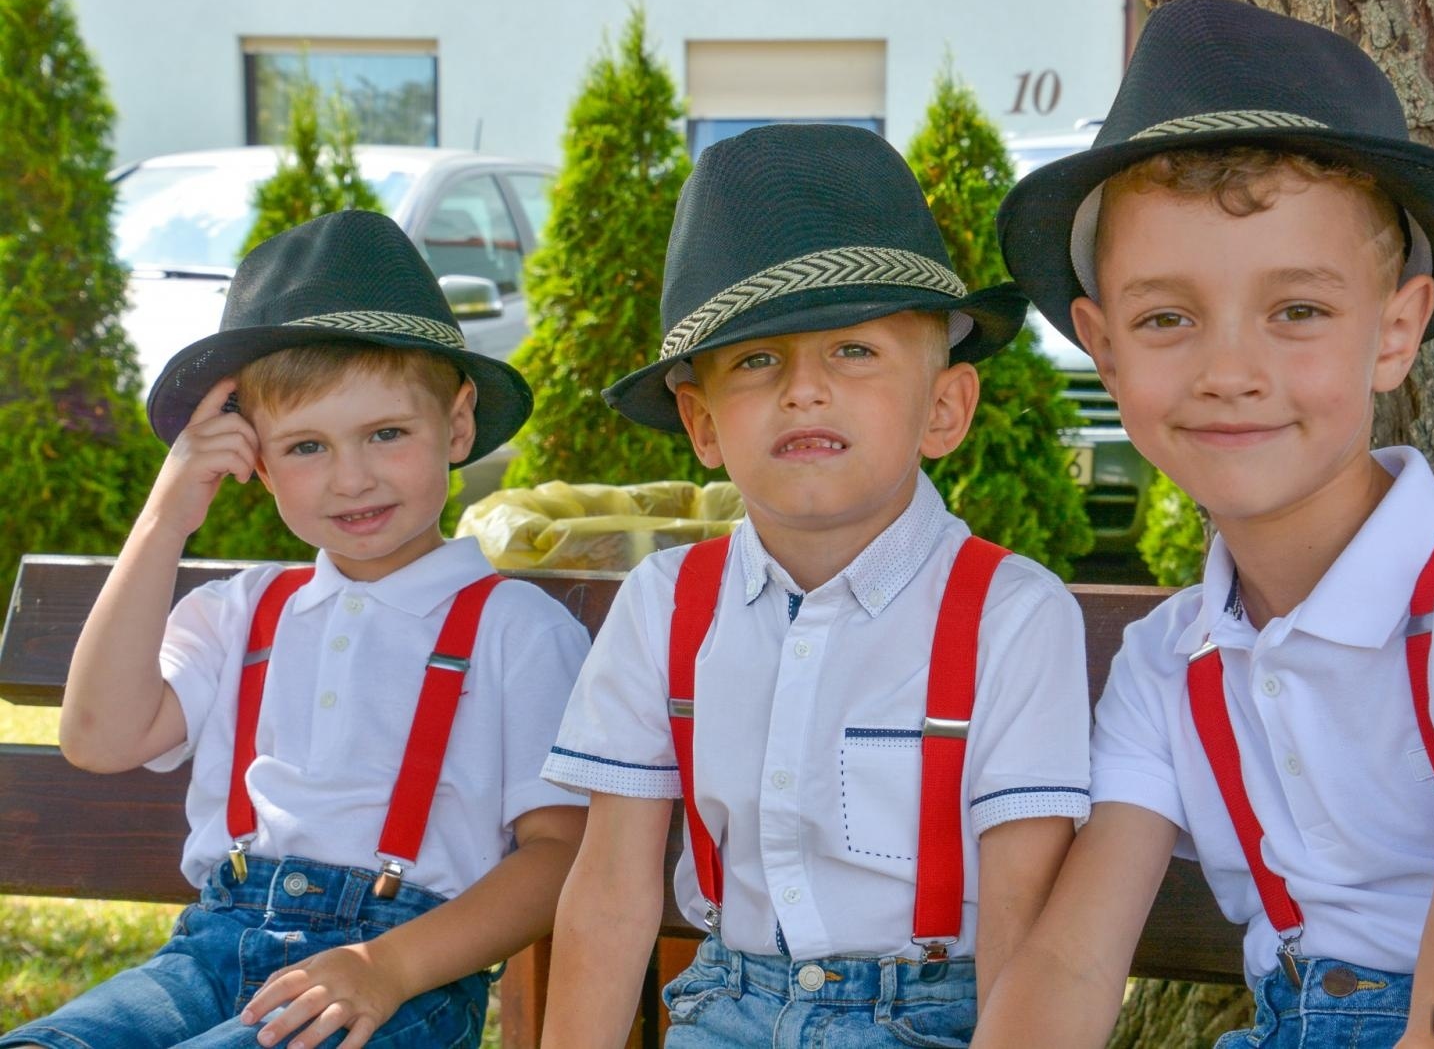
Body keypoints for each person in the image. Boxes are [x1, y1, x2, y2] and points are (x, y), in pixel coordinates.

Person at [975, 0, 1434, 1048]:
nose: (1229, 373)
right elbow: (1072, 960)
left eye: (1296, 311)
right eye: (1165, 318)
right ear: (1104, 346)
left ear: (1396, 330)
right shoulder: (1166, 664)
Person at [537, 123, 1091, 1048]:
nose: (804, 389)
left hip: (932, 1017)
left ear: (944, 407)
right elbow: (609, 889)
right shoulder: (664, 605)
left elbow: (1023, 919)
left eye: (854, 351)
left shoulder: (1012, 614)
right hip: (722, 1007)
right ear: (703, 424)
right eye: (757, 360)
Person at [1, 211, 589, 1049]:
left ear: (456, 426)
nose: (352, 478)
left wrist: (388, 967)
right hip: (204, 961)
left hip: (396, 979)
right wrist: (167, 516)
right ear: (257, 461)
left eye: (386, 433)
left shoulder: (515, 631)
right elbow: (97, 738)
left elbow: (559, 854)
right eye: (306, 446)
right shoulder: (238, 613)